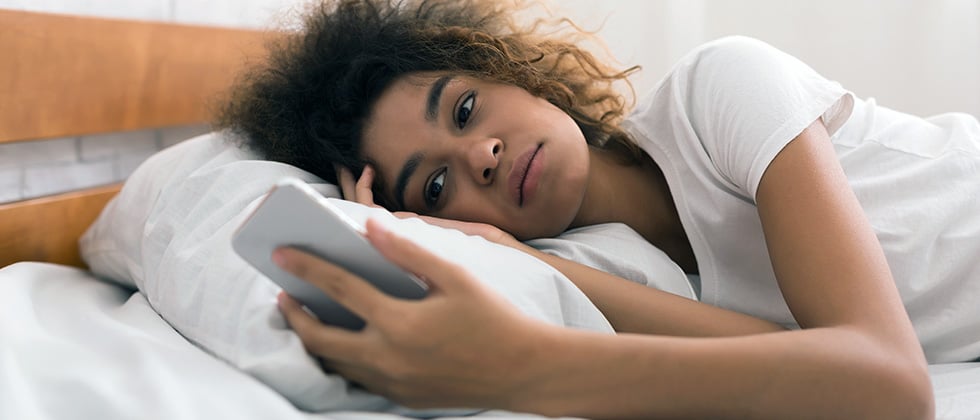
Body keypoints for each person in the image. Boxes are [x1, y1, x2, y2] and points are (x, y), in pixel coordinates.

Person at [217, 0, 980, 418]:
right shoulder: (609, 268)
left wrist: (515, 368)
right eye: (438, 187)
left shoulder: (720, 89)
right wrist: (519, 263)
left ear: (514, 74)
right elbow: (803, 358)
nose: (479, 153)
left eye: (466, 108)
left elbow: (887, 383)